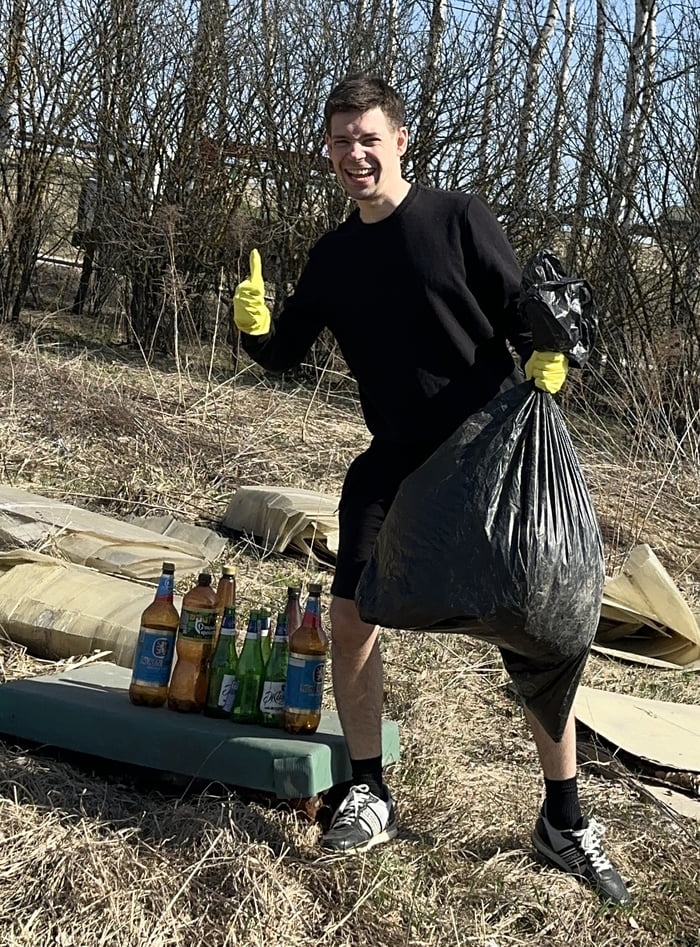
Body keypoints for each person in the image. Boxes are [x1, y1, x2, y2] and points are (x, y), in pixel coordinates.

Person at [232, 73, 630, 906]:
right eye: (340, 140)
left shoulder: (456, 218)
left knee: (536, 629)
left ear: (400, 140)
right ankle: (369, 789)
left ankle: (563, 818)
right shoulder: (334, 256)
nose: (354, 153)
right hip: (398, 458)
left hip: (489, 455)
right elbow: (285, 355)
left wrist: (548, 355)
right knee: (350, 617)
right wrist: (254, 327)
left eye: (368, 137)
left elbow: (525, 313)